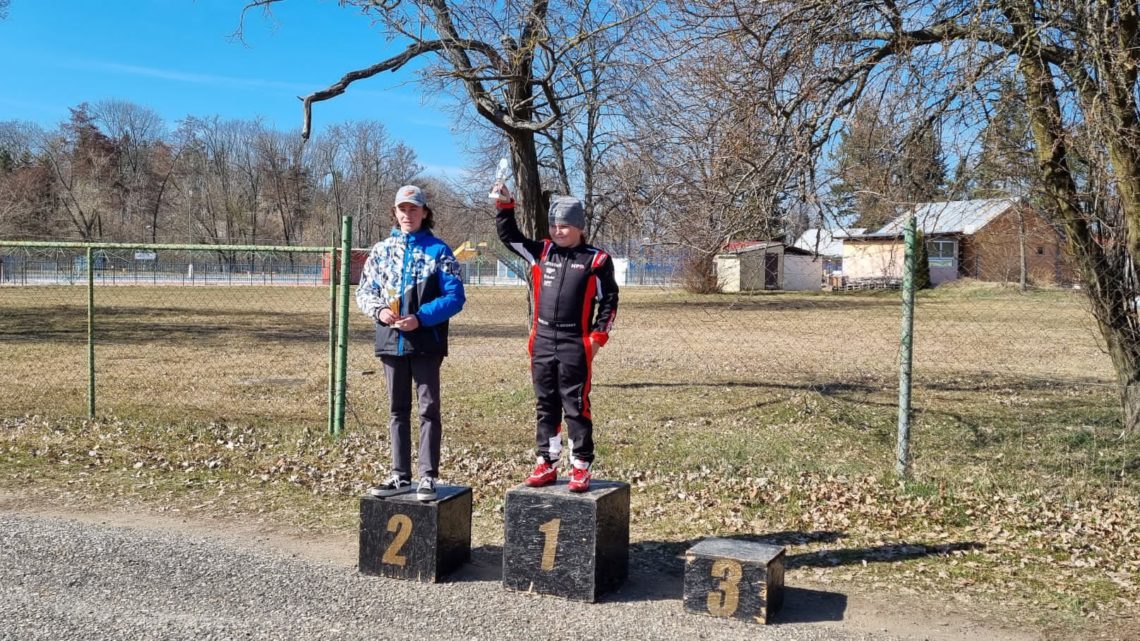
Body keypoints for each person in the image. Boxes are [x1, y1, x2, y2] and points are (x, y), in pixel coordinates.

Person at [492, 181, 619, 493]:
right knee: (545, 404)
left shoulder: (597, 260)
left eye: (565, 226)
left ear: (579, 227)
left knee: (575, 405)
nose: (559, 231)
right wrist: (505, 207)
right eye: (554, 225)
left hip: (576, 343)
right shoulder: (542, 252)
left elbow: (610, 301)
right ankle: (547, 462)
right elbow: (510, 238)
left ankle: (580, 466)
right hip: (543, 342)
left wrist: (597, 338)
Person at [356, 185, 466, 501]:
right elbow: (364, 292)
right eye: (402, 209)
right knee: (397, 409)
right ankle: (399, 476)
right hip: (391, 342)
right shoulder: (381, 251)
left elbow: (455, 297)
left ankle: (428, 477)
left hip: (426, 343)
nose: (408, 215)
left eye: (414, 209)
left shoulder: (439, 251)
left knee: (428, 409)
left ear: (425, 213)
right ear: (395, 212)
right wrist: (379, 311)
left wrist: (420, 318)